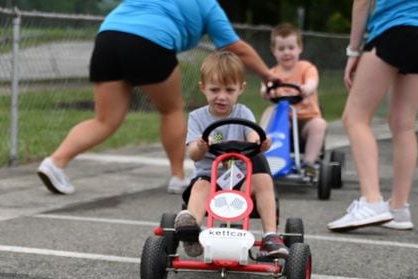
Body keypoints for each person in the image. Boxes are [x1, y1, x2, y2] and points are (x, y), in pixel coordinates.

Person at [36, 0, 280, 196]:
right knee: (171, 109)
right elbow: (237, 48)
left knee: (104, 120)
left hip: (108, 36)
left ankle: (55, 163)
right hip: (150, 41)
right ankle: (178, 177)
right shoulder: (207, 5)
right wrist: (269, 75)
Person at [328, 0, 418, 231]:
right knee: (404, 124)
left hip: (395, 29)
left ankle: (372, 201)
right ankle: (399, 208)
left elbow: (362, 2)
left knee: (355, 117)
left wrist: (353, 51)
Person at [176, 51, 288, 259]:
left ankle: (271, 237)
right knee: (200, 185)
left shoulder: (243, 113)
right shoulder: (197, 117)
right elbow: (193, 154)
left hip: (241, 179)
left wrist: (260, 143)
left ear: (241, 89)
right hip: (211, 176)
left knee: (262, 178)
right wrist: (200, 146)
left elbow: (253, 134)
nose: (222, 96)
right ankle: (191, 230)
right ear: (203, 88)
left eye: (229, 90)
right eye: (215, 89)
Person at [259, 22, 327, 176]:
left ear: (300, 48)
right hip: (283, 121)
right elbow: (265, 87)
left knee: (319, 124)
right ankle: (262, 155)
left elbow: (312, 83)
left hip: (305, 120)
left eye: (291, 48)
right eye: (281, 49)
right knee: (269, 111)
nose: (286, 53)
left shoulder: (306, 68)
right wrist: (265, 91)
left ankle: (309, 163)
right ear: (273, 51)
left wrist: (306, 89)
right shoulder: (273, 72)